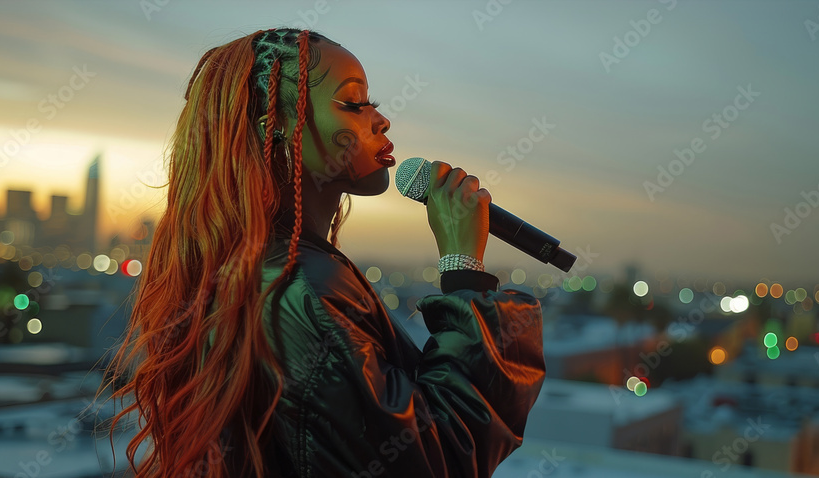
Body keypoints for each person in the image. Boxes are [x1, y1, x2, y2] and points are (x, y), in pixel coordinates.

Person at [98, 28, 545, 477]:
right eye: (353, 103)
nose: (381, 120)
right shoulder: (298, 290)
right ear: (276, 127)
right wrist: (463, 268)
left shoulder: (278, 272)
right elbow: (434, 459)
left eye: (374, 102)